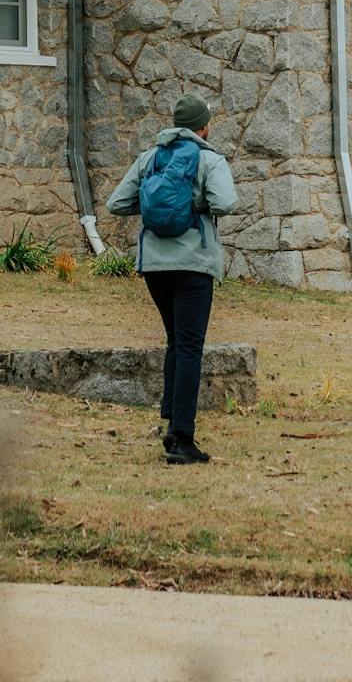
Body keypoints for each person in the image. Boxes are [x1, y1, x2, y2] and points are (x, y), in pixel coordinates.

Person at [105, 92, 237, 465]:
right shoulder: (210, 159)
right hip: (193, 265)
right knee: (190, 347)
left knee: (175, 342)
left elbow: (117, 204)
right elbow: (226, 203)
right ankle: (182, 438)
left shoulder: (149, 159)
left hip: (155, 268)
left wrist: (153, 205)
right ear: (204, 126)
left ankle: (171, 425)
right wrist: (195, 203)